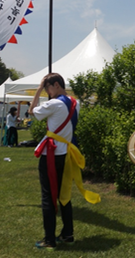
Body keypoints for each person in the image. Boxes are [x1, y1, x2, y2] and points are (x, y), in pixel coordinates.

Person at [30, 73, 100, 250]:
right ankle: (67, 234)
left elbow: (32, 111)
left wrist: (38, 90)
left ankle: (49, 239)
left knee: (48, 196)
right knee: (64, 194)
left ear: (55, 85)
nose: (47, 91)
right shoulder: (76, 103)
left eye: (47, 88)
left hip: (52, 154)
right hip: (67, 153)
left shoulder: (54, 104)